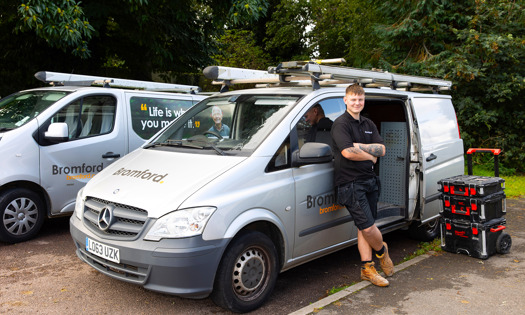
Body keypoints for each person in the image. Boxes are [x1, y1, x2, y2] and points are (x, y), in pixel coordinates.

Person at [331, 84, 394, 287]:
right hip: (351, 183)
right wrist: (370, 156)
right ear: (345, 100)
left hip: (370, 180)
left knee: (363, 226)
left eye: (360, 99)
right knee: (368, 228)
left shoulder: (368, 123)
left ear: (363, 100)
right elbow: (348, 153)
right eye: (353, 99)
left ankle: (367, 268)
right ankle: (382, 251)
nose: (357, 103)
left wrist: (359, 146)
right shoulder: (340, 124)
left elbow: (382, 149)